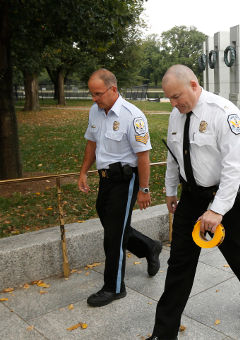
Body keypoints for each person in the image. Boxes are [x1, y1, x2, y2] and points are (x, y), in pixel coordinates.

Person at [148, 65, 240, 340]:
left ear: (193, 84)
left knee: (236, 251)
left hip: (225, 196)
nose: (174, 103)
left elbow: (234, 166)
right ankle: (163, 333)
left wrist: (216, 210)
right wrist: (170, 190)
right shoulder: (176, 116)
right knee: (179, 262)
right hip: (191, 197)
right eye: (169, 98)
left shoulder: (223, 113)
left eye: (177, 96)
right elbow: (173, 157)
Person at [78, 68, 162, 307]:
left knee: (114, 235)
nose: (94, 98)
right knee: (113, 223)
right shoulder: (96, 111)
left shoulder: (132, 116)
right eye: (91, 94)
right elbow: (91, 143)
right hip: (105, 179)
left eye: (97, 93)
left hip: (126, 179)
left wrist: (144, 190)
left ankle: (114, 288)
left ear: (113, 89)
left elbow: (143, 156)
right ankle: (150, 246)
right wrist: (84, 171)